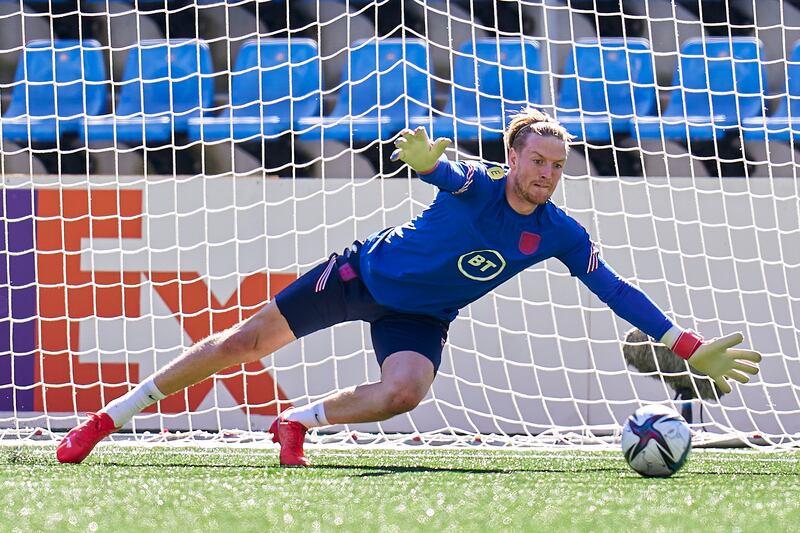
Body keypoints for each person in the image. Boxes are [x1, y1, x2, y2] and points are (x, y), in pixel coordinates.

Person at [56, 109, 762, 466]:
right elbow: (444, 170)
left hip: (422, 314)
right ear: (513, 154)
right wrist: (426, 160)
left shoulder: (560, 233)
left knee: (405, 392)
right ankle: (108, 419)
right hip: (361, 276)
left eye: (558, 164)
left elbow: (619, 293)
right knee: (242, 341)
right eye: (538, 159)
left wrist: (688, 345)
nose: (548, 172)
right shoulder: (477, 185)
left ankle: (295, 420)